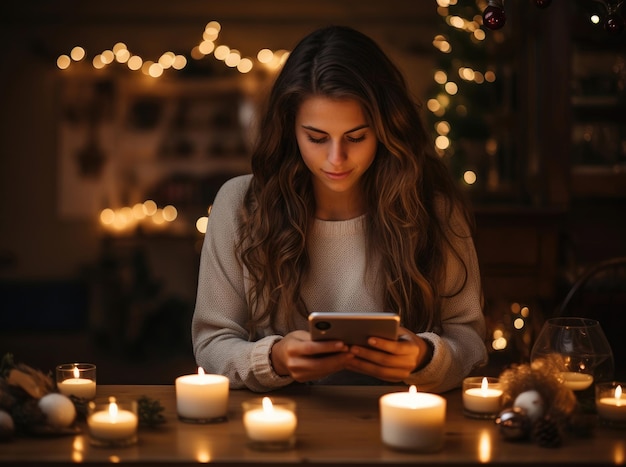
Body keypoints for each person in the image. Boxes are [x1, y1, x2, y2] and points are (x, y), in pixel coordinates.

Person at [192, 25, 488, 393]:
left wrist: (426, 357)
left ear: (385, 129)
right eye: (316, 138)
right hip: (283, 429)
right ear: (289, 130)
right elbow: (211, 342)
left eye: (356, 137)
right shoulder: (240, 205)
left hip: (404, 421)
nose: (336, 159)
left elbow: (471, 341)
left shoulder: (433, 209)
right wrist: (274, 359)